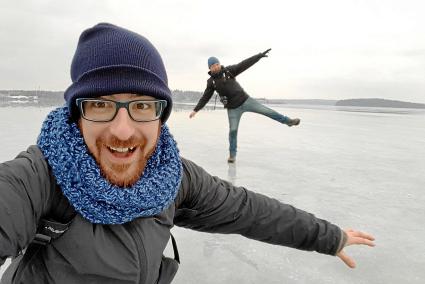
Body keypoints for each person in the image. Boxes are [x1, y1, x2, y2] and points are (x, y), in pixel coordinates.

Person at [0, 23, 375, 284]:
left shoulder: (172, 178)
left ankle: (283, 119)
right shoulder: (39, 178)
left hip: (245, 102)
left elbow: (247, 210)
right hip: (231, 107)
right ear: (76, 114)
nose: (123, 129)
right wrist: (199, 105)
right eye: (100, 105)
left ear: (161, 116)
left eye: (143, 106)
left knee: (261, 114)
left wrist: (328, 236)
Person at [189, 50, 301, 163]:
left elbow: (244, 64)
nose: (216, 67)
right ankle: (232, 156)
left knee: (267, 111)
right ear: (210, 68)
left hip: (246, 100)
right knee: (233, 131)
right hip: (233, 109)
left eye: (217, 64)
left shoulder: (228, 71)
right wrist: (196, 110)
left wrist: (258, 56)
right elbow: (205, 97)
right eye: (213, 66)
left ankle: (288, 121)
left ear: (219, 64)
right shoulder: (211, 82)